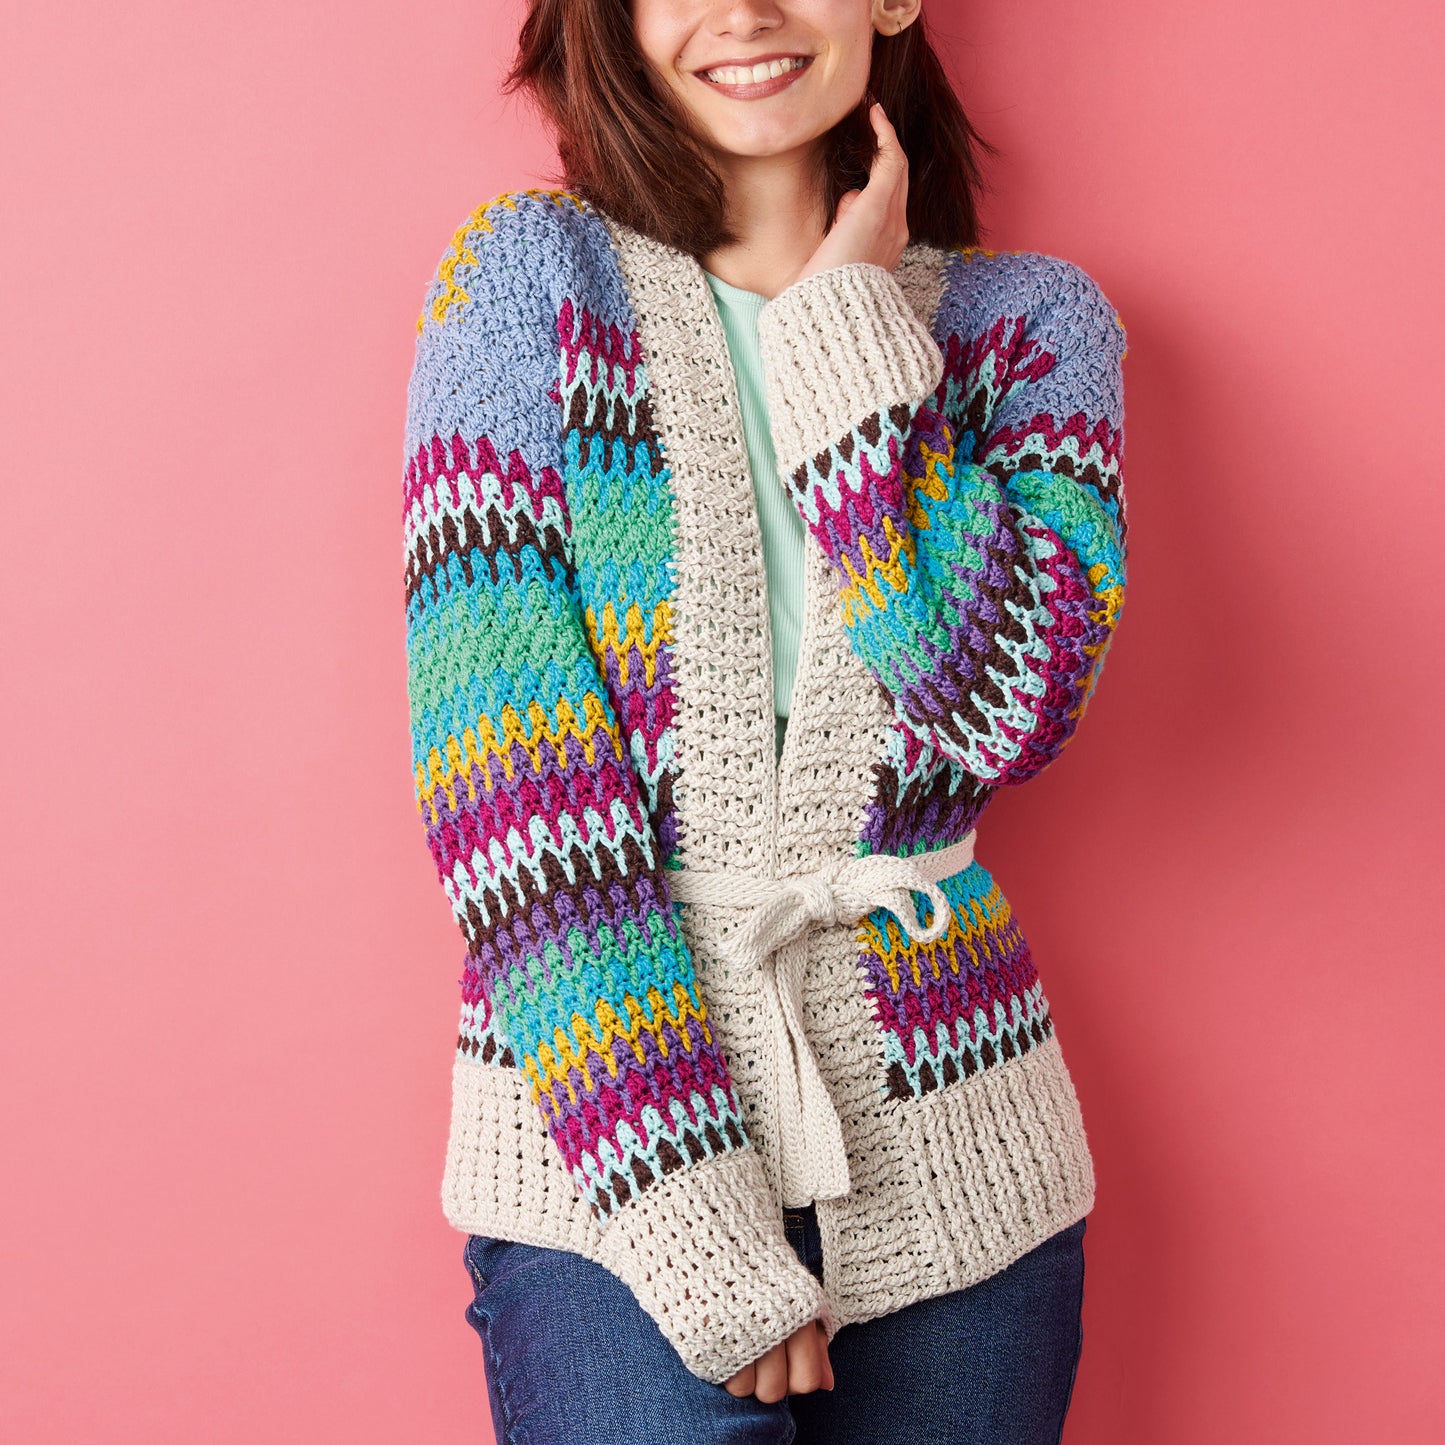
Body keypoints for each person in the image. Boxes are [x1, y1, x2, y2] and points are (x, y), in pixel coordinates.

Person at [400, 1, 1128, 1440]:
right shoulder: (525, 288)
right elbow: (511, 805)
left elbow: (1015, 703)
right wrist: (694, 1227)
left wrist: (848, 338)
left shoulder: (1031, 328)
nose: (739, 10)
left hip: (960, 1146)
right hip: (600, 1164)